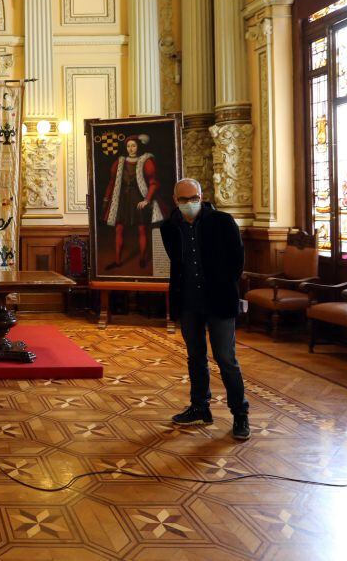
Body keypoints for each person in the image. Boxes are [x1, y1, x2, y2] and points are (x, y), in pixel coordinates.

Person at [159, 178, 250, 441]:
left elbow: (237, 260)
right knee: (195, 357)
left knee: (226, 359)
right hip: (188, 302)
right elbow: (178, 264)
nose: (189, 204)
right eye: (183, 199)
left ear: (201, 196)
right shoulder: (169, 228)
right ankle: (200, 407)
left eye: (194, 198)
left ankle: (240, 413)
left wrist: (224, 286)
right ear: (176, 200)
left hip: (219, 300)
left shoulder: (222, 221)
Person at [101, 134, 165, 270]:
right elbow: (112, 182)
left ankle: (142, 258)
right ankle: (117, 261)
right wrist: (106, 198)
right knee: (118, 229)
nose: (131, 148)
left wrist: (146, 200)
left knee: (142, 229)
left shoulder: (146, 161)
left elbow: (154, 183)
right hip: (122, 199)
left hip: (138, 199)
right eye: (128, 146)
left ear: (138, 146)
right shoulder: (119, 162)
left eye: (133, 145)